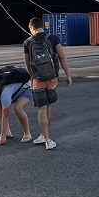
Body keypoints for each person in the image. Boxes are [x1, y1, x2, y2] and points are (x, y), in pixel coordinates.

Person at [23, 17, 72, 150]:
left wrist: (32, 76)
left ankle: (47, 139)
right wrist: (68, 75)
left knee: (42, 108)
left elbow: (27, 64)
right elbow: (62, 57)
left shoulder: (27, 42)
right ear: (41, 26)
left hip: (38, 79)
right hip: (53, 79)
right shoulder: (53, 38)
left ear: (32, 27)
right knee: (49, 105)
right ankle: (45, 136)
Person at [0, 79, 33, 145]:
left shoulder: (5, 94)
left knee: (18, 108)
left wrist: (2, 135)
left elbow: (5, 115)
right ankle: (7, 132)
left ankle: (27, 134)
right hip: (14, 90)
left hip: (25, 89)